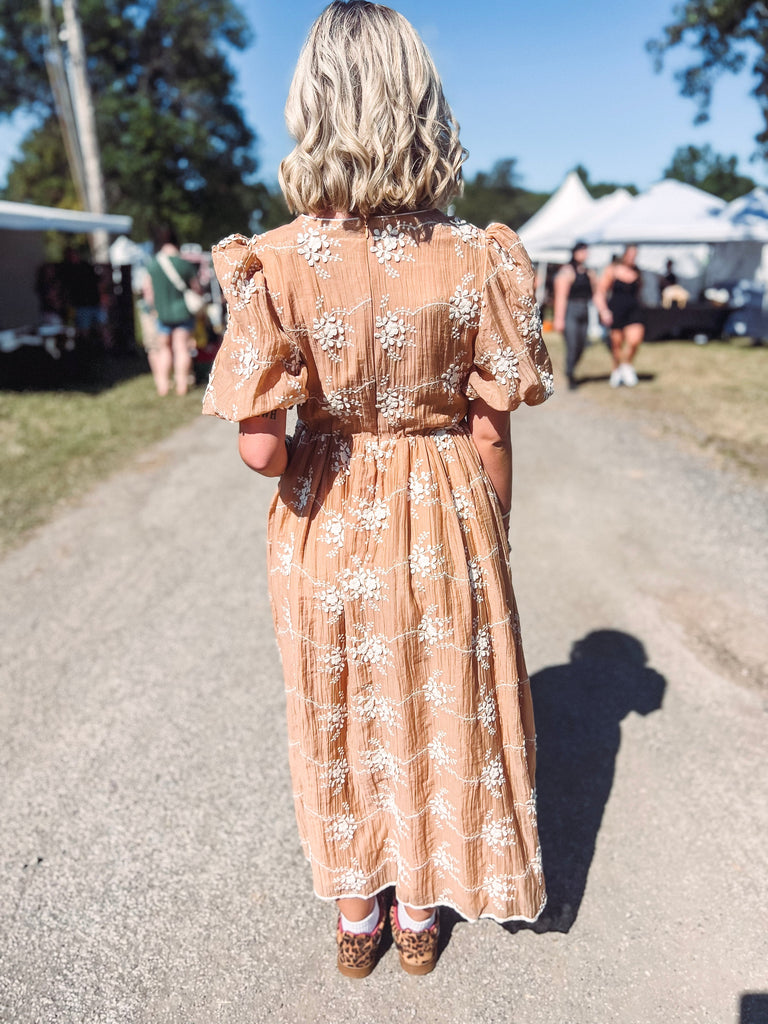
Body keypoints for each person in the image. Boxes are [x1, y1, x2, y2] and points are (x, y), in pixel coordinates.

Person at [202, 0, 552, 978]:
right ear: (421, 106)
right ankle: (417, 914)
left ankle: (356, 917)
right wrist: (495, 535)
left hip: (331, 510)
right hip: (446, 506)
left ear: (313, 107)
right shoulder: (476, 256)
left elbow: (262, 453)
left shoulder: (271, 263)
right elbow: (492, 423)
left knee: (343, 706)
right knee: (436, 703)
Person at [144, 227, 200, 396]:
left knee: (164, 349)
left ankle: (163, 386)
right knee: (181, 348)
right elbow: (196, 288)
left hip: (162, 313)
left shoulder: (153, 265)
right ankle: (182, 386)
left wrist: (154, 309)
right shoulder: (185, 264)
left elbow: (147, 292)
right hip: (183, 312)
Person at [594, 244, 645, 387]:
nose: (632, 258)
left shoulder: (637, 272)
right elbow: (600, 292)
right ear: (625, 254)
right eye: (630, 255)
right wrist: (603, 311)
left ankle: (627, 365)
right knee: (616, 345)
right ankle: (617, 369)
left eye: (635, 256)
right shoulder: (612, 270)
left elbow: (639, 290)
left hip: (633, 310)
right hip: (616, 310)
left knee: (635, 340)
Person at [553, 241, 596, 389]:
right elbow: (561, 297)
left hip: (584, 309)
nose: (585, 254)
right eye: (583, 251)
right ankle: (570, 374)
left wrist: (603, 311)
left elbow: (596, 294)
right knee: (572, 345)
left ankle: (571, 369)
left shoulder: (589, 272)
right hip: (570, 310)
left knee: (582, 344)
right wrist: (559, 319)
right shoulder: (567, 271)